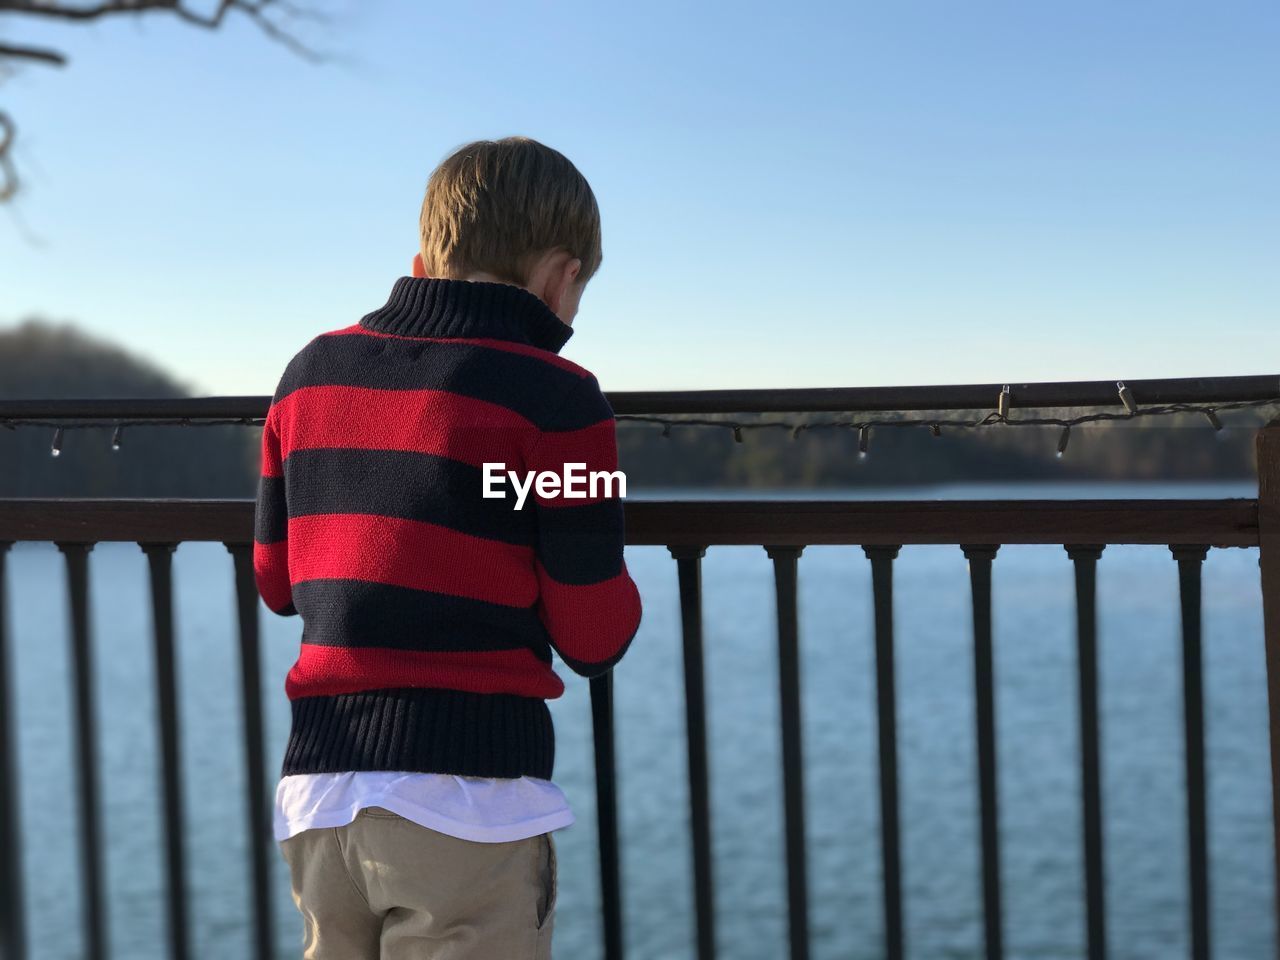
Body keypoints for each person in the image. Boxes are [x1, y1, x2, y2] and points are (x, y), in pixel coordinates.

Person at [252, 135, 643, 959]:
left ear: (424, 259)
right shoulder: (562, 401)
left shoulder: (309, 375)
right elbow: (594, 634)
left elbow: (278, 582)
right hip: (467, 799)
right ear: (562, 277)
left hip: (320, 789)